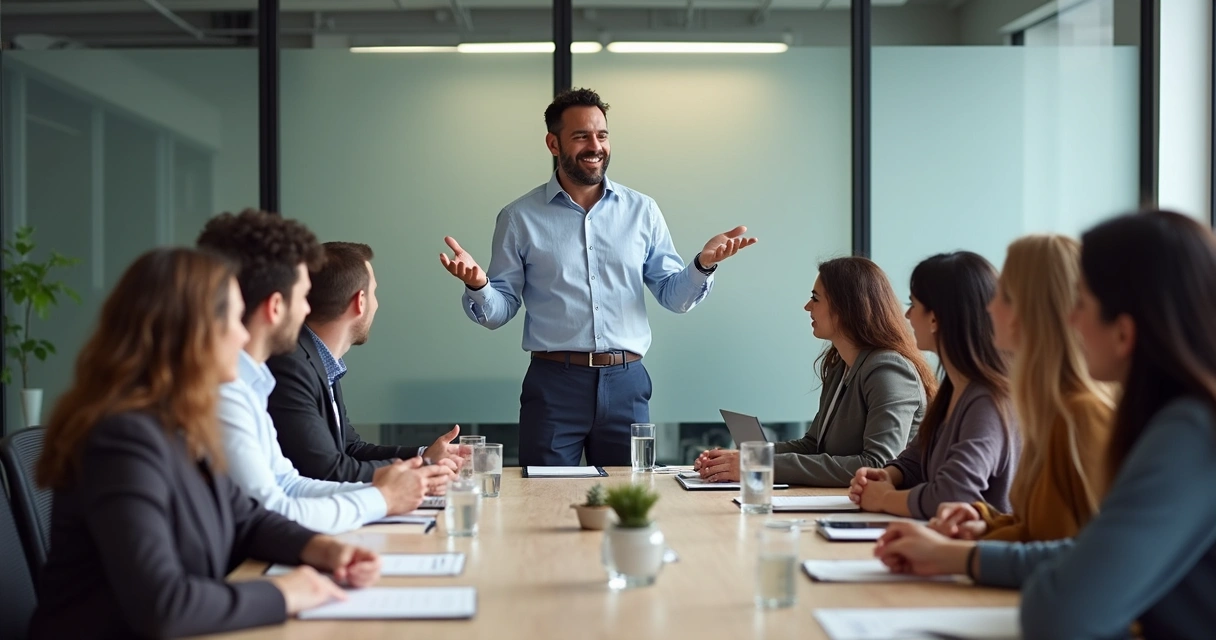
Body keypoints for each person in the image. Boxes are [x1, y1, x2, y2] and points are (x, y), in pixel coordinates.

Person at [875, 210, 1216, 640]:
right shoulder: (1172, 420)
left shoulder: (1188, 432)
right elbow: (1085, 552)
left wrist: (971, 553)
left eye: (1083, 306)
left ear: (1125, 334)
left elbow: (1062, 606)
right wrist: (970, 549)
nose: (1071, 321)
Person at [30, 248, 380, 639]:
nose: (246, 334)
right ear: (193, 332)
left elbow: (246, 518)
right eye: (234, 318)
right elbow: (163, 605)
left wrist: (321, 550)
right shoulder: (121, 439)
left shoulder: (179, 421)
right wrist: (284, 592)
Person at [438, 88, 757, 467]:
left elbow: (674, 298)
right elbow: (498, 311)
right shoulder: (518, 217)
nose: (595, 146)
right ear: (553, 143)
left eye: (602, 135)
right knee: (544, 504)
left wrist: (702, 265)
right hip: (554, 384)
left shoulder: (643, 211)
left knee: (631, 502)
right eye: (581, 136)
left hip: (627, 383)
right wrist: (478, 286)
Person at [198, 211, 452, 535]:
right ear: (275, 306)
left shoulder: (252, 384)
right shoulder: (239, 387)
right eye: (301, 297)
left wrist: (399, 484)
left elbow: (288, 484)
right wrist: (384, 496)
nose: (308, 309)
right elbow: (277, 506)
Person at [931, 236, 1113, 542]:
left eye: (1003, 295)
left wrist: (952, 555)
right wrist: (987, 525)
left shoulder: (1082, 414)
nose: (990, 307)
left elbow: (1081, 553)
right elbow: (1045, 528)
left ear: (1030, 310)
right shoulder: (1047, 407)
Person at [695, 256, 935, 486]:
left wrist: (758, 463)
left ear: (846, 307)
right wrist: (742, 457)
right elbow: (813, 445)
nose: (807, 306)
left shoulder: (888, 370)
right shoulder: (841, 366)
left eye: (816, 298)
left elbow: (877, 465)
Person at [268, 241, 466, 482]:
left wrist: (424, 455)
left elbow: (350, 448)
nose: (377, 304)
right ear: (359, 301)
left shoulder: (321, 360)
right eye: (374, 292)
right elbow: (326, 470)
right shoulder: (291, 366)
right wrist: (420, 469)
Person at [848, 252, 1018, 519]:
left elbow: (953, 495)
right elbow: (918, 456)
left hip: (976, 553)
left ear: (935, 318)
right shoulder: (954, 387)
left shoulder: (987, 400)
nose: (907, 314)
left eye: (913, 304)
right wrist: (888, 476)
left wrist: (885, 499)